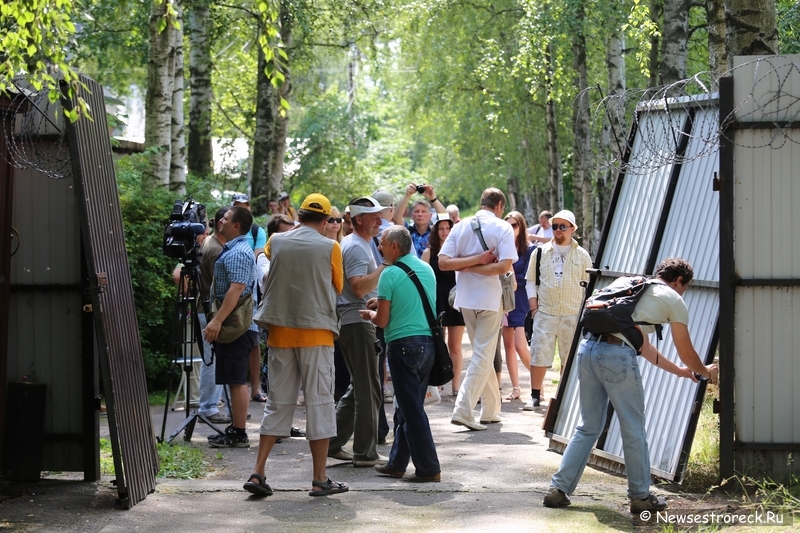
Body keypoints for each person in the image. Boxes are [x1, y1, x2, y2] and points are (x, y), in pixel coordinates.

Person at [543, 257, 720, 512]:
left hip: (587, 350)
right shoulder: (673, 299)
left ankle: (558, 490)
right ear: (679, 280)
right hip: (616, 357)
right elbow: (686, 352)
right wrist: (705, 371)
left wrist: (683, 373)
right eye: (686, 286)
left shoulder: (629, 285)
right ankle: (640, 496)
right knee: (633, 427)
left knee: (588, 426)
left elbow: (643, 346)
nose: (684, 292)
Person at [243, 193, 348, 498]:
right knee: (319, 405)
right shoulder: (332, 247)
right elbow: (337, 286)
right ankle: (319, 478)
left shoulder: (276, 240)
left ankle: (259, 472)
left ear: (299, 215)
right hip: (317, 336)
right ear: (327, 220)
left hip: (280, 335)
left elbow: (265, 269)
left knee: (278, 404)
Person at [360, 226, 441, 483]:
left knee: (412, 410)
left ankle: (429, 468)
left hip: (402, 345)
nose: (380, 247)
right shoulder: (426, 269)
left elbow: (382, 321)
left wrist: (370, 314)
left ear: (394, 247)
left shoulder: (390, 273)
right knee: (407, 408)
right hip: (428, 345)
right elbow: (414, 302)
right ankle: (396, 464)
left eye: (382, 243)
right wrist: (382, 303)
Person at [439, 188, 517, 431]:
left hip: (465, 299)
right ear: (499, 205)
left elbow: (444, 262)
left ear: (482, 203)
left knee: (482, 353)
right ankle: (463, 409)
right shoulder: (502, 228)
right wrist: (479, 262)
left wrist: (468, 266)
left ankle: (491, 410)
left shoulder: (459, 226)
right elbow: (503, 266)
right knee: (483, 355)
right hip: (490, 299)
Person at [327, 196, 389, 466]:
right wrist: (385, 266)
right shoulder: (354, 246)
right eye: (373, 216)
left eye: (380, 215)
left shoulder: (361, 244)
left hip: (359, 321)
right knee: (368, 389)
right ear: (358, 219)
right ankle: (365, 453)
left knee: (360, 387)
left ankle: (332, 442)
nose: (379, 220)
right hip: (357, 321)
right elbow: (358, 288)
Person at [524, 210, 592, 411]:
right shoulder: (539, 252)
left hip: (572, 312)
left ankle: (563, 396)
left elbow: (588, 286)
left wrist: (583, 312)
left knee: (568, 356)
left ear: (572, 229)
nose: (558, 230)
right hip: (546, 311)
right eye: (555, 226)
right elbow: (530, 282)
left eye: (563, 226)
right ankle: (535, 395)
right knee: (538, 353)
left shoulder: (582, 255)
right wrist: (534, 309)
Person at [203, 206, 259, 448]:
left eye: (225, 218)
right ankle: (236, 428)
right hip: (235, 324)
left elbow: (236, 289)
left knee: (236, 380)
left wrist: (216, 320)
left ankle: (239, 433)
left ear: (236, 226)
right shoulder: (234, 248)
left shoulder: (238, 252)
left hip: (235, 325)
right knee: (233, 378)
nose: (220, 220)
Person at [195, 207, 232, 424]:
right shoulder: (216, 249)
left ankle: (221, 404)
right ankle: (208, 407)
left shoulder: (209, 242)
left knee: (214, 360)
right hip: (210, 311)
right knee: (212, 361)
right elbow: (224, 285)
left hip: (208, 310)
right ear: (221, 224)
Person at [421, 213, 465, 396]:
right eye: (441, 228)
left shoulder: (459, 251)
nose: (445, 232)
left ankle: (455, 386)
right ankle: (438, 383)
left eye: (448, 228)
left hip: (455, 301)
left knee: (455, 346)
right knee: (438, 342)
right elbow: (422, 279)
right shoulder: (428, 252)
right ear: (435, 230)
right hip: (435, 301)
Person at [231, 193, 267, 403]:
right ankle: (236, 388)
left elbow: (258, 255)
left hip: (251, 291)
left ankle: (255, 387)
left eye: (245, 206)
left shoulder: (256, 231)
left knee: (253, 341)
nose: (242, 210)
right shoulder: (226, 228)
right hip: (233, 288)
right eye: (238, 207)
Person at [502, 211, 534, 401]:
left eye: (514, 225)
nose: (511, 229)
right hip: (506, 300)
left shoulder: (530, 250)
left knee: (521, 346)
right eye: (507, 225)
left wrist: (512, 276)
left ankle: (537, 383)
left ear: (521, 227)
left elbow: (529, 277)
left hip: (522, 301)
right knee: (508, 346)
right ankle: (516, 388)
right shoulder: (502, 248)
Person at [393, 183, 446, 258]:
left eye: (423, 211)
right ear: (412, 215)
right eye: (417, 211)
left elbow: (445, 218)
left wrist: (433, 198)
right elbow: (396, 217)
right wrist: (407, 195)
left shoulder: (435, 232)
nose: (420, 214)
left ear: (430, 215)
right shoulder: (406, 231)